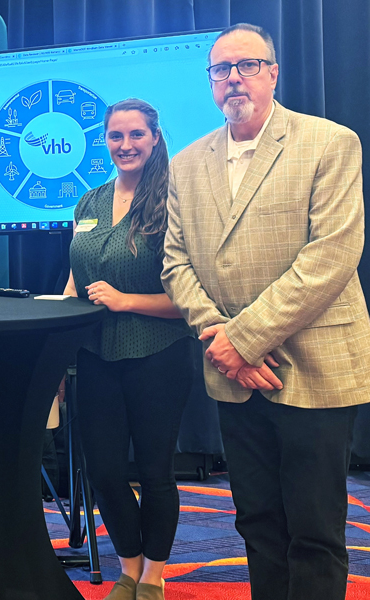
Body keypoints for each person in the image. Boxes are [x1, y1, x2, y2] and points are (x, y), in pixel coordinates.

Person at [162, 23, 370, 600]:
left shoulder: (329, 142)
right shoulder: (184, 163)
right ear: (210, 83)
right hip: (232, 373)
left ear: (273, 73)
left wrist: (243, 341)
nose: (234, 78)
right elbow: (176, 264)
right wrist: (220, 341)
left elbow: (331, 257)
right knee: (256, 523)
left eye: (247, 65)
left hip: (315, 367)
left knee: (316, 529)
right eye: (221, 70)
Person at [64, 98, 192, 600]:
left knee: (156, 472)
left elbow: (190, 298)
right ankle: (129, 568)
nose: (126, 145)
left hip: (158, 355)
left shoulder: (175, 201)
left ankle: (154, 578)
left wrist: (125, 301)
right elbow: (77, 280)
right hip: (95, 357)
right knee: (104, 472)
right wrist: (56, 339)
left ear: (155, 138)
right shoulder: (89, 202)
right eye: (116, 136)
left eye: (136, 135)